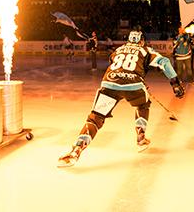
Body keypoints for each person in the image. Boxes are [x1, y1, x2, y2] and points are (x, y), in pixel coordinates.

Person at [57, 30, 185, 168]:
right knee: (142, 105)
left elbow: (115, 64)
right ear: (141, 40)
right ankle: (141, 137)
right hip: (134, 85)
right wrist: (175, 83)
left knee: (95, 118)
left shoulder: (118, 49)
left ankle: (76, 150)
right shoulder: (146, 50)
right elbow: (164, 62)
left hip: (109, 83)